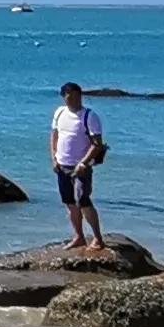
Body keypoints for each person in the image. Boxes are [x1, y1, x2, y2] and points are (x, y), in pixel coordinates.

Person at [48, 83, 108, 250]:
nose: (73, 100)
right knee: (69, 203)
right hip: (62, 165)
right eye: (69, 96)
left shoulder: (89, 116)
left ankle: (97, 238)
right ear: (64, 97)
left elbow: (97, 144)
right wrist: (54, 158)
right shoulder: (59, 113)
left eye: (76, 96)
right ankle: (79, 236)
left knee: (83, 201)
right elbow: (54, 136)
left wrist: (84, 163)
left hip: (81, 167)